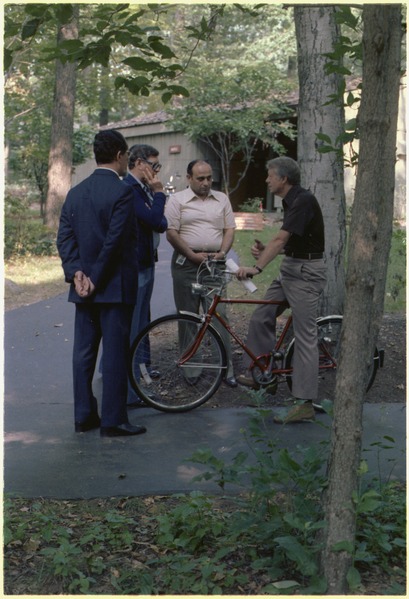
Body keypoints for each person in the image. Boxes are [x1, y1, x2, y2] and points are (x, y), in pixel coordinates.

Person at [57, 129, 147, 437]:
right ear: (121, 156)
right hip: (113, 286)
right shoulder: (123, 192)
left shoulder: (76, 192)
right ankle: (113, 420)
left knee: (83, 354)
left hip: (83, 288)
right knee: (114, 354)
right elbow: (115, 242)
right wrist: (94, 277)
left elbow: (64, 238)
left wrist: (76, 273)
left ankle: (83, 416)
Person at [236, 157, 327, 424]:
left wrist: (257, 267)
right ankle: (264, 376)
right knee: (262, 315)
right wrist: (267, 252)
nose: (266, 180)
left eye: (270, 175)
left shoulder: (303, 200)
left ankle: (304, 403)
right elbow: (293, 241)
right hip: (292, 267)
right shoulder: (290, 201)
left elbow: (281, 238)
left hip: (306, 273)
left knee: (305, 337)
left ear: (283, 179)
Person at [165, 159, 237, 387]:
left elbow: (229, 229)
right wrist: (192, 254)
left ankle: (225, 368)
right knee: (188, 316)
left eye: (209, 178)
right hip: (187, 264)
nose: (206, 183)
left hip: (214, 263)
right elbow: (171, 233)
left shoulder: (221, 199)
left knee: (219, 315)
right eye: (200, 178)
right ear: (189, 178)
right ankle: (192, 369)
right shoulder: (177, 200)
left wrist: (223, 252)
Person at [124, 144, 168, 407]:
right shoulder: (130, 190)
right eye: (154, 165)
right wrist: (160, 192)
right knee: (135, 324)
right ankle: (133, 387)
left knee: (143, 319)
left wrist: (157, 207)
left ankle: (141, 369)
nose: (156, 171)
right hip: (137, 265)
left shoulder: (140, 189)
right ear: (139, 163)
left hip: (146, 262)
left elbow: (159, 221)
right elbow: (155, 220)